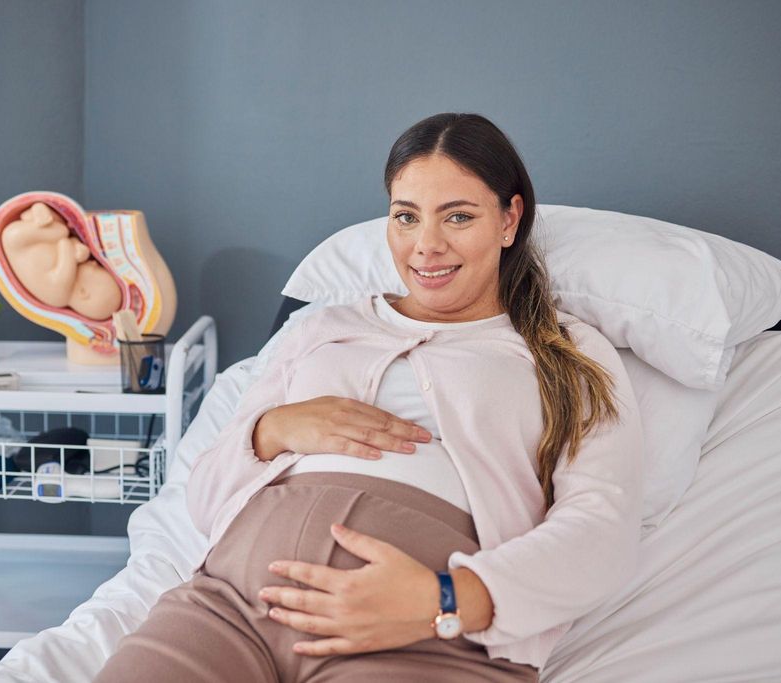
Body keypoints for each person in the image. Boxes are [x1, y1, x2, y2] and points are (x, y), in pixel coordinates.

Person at [93, 113, 644, 682]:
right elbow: (203, 502)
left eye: (458, 216)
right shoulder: (318, 329)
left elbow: (602, 530)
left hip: (420, 640)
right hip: (231, 608)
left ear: (509, 219)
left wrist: (446, 598)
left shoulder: (566, 352)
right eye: (406, 216)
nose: (426, 246)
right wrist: (272, 431)